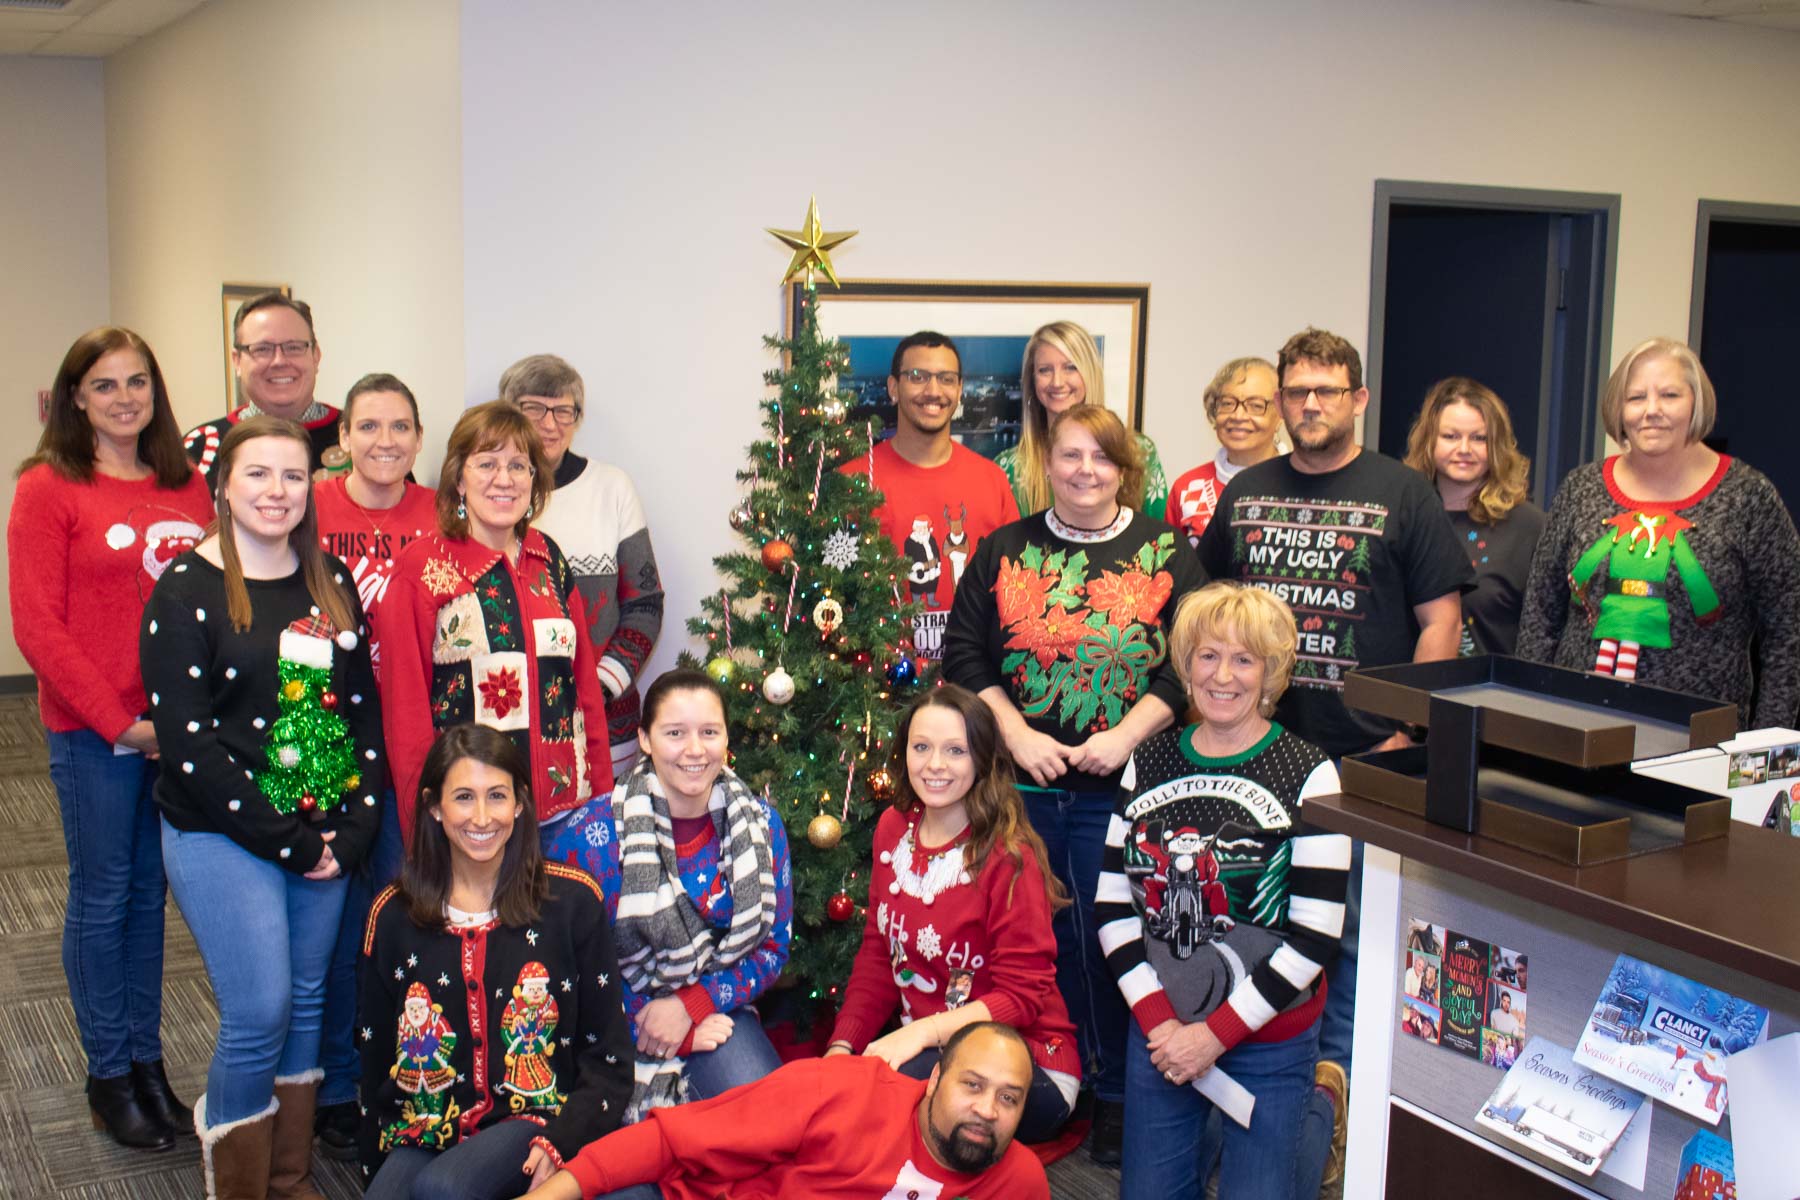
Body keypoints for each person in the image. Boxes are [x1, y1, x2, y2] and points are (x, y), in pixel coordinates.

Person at [1194, 327, 1470, 1189]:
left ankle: (1331, 1137)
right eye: (1295, 390)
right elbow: (1206, 619)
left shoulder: (1404, 492)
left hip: (1363, 766)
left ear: (1356, 399)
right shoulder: (1246, 491)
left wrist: (1409, 733)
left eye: (1326, 390)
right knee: (1252, 939)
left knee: (1340, 953)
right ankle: (1248, 1130)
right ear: (1280, 401)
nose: (1308, 404)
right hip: (1258, 763)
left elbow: (1441, 620)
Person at [944, 404, 1205, 1164]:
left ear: (1125, 469)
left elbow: (1188, 661)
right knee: (1039, 943)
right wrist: (1018, 735)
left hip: (1122, 793)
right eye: (1070, 456)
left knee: (1113, 940)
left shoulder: (1165, 553)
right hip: (1022, 791)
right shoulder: (1004, 550)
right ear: (1045, 464)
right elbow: (965, 655)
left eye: (1102, 458)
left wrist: (1122, 737)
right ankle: (1059, 1080)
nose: (1085, 471)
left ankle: (1122, 1094)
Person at [139, 416, 383, 1198]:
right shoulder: (183, 592)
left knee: (309, 999)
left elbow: (358, 713)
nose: (278, 492)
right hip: (223, 831)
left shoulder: (328, 579)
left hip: (319, 832)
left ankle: (287, 1176)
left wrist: (353, 827)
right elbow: (189, 747)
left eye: (293, 476)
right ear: (223, 487)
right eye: (259, 475)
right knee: (261, 1008)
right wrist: (293, 843)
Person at [8, 327, 213, 1151]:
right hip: (95, 733)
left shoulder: (188, 484)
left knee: (146, 901)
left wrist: (180, 721)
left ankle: (148, 1063)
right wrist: (117, 721)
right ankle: (107, 1074)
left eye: (138, 382)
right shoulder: (48, 487)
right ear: (74, 399)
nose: (125, 398)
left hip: (171, 730)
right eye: (104, 385)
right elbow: (37, 626)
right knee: (103, 897)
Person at [1096, 582, 1349, 1200]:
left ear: (1271, 672)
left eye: (1244, 659)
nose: (1223, 675)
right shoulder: (1148, 762)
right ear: (1185, 666)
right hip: (1160, 1033)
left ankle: (1320, 1107)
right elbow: (1112, 908)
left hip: (1269, 1038)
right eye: (1207, 656)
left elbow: (1316, 938)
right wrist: (1163, 1027)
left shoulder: (1310, 771)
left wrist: (1214, 1035)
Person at [357, 723, 632, 1197]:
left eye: (497, 796)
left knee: (446, 1189)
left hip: (533, 1121)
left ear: (520, 803)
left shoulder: (571, 903)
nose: (482, 817)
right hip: (425, 1126)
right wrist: (377, 1162)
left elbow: (608, 1059)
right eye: (463, 797)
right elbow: (374, 1057)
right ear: (433, 807)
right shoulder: (393, 915)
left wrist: (561, 1141)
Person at [825, 685, 1079, 1142]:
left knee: (869, 1111)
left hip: (1027, 1064)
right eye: (921, 747)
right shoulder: (892, 830)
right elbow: (880, 957)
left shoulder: (1008, 856)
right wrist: (843, 1044)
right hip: (930, 1048)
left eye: (955, 751)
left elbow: (1022, 998)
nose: (935, 765)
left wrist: (921, 1033)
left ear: (982, 759)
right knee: (839, 1092)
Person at [547, 668, 790, 1120]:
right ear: (644, 739)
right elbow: (562, 966)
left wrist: (691, 1005)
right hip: (610, 1024)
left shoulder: (761, 823)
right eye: (675, 733)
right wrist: (658, 1023)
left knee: (770, 1124)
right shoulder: (588, 837)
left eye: (709, 732)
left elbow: (772, 950)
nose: (695, 750)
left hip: (719, 1006)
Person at [1518, 337, 1800, 725]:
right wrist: (1530, 716)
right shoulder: (1580, 488)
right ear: (1618, 410)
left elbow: (1788, 631)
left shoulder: (1749, 497)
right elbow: (1540, 614)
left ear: (1696, 403)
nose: (1652, 411)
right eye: (1635, 398)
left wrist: (1767, 743)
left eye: (1669, 395)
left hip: (1698, 743)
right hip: (1577, 729)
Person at [375, 401, 614, 850]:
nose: (503, 479)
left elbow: (583, 691)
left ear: (534, 479)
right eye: (486, 463)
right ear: (459, 478)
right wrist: (424, 831)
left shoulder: (549, 559)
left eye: (518, 466)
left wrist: (602, 798)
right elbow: (405, 719)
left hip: (566, 816)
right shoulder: (422, 569)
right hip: (474, 826)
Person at [310, 372, 439, 1158]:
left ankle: (398, 1078)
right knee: (330, 926)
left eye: (400, 427)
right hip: (328, 742)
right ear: (343, 439)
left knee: (396, 922)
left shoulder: (439, 516)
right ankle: (330, 1087)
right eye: (369, 426)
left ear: (420, 440)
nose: (385, 441)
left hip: (413, 746)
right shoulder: (313, 511)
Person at [533, 1023, 1051, 1199]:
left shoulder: (1019, 1181)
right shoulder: (842, 1091)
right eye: (973, 1085)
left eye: (1009, 1098)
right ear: (934, 1078)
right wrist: (563, 1186)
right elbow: (674, 1139)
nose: (987, 1110)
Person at [501, 354, 665, 777]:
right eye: (533, 408)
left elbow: (645, 604)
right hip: (511, 725)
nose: (549, 424)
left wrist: (600, 687)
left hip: (608, 724)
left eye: (563, 411)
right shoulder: (491, 494)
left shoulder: (611, 488)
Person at [838, 332, 1020, 659]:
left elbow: (1016, 590)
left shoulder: (992, 480)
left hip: (973, 684)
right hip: (875, 686)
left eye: (946, 379)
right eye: (918, 377)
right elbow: (833, 593)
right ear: (893, 388)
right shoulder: (852, 481)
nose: (933, 391)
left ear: (960, 389)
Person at [1403, 377, 1547, 656]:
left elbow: (1545, 630)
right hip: (1406, 693)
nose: (1465, 449)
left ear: (1498, 446)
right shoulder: (1404, 517)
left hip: (1495, 694)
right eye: (1451, 436)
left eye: (1480, 438)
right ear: (1428, 441)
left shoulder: (1530, 528)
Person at [994, 320, 1169, 521]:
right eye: (1044, 370)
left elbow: (1159, 542)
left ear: (1090, 374)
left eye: (1070, 367)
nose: (1057, 382)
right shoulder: (1009, 468)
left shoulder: (1139, 452)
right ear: (1032, 381)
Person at [184, 293, 342, 485]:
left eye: (293, 347)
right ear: (237, 361)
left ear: (315, 356)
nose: (279, 361)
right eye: (262, 349)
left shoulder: (362, 440)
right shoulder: (200, 449)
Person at [1167, 357, 1285, 547]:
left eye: (1256, 406)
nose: (1238, 416)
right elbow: (1170, 568)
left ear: (1281, 413)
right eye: (1227, 403)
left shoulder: (1299, 483)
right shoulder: (1188, 488)